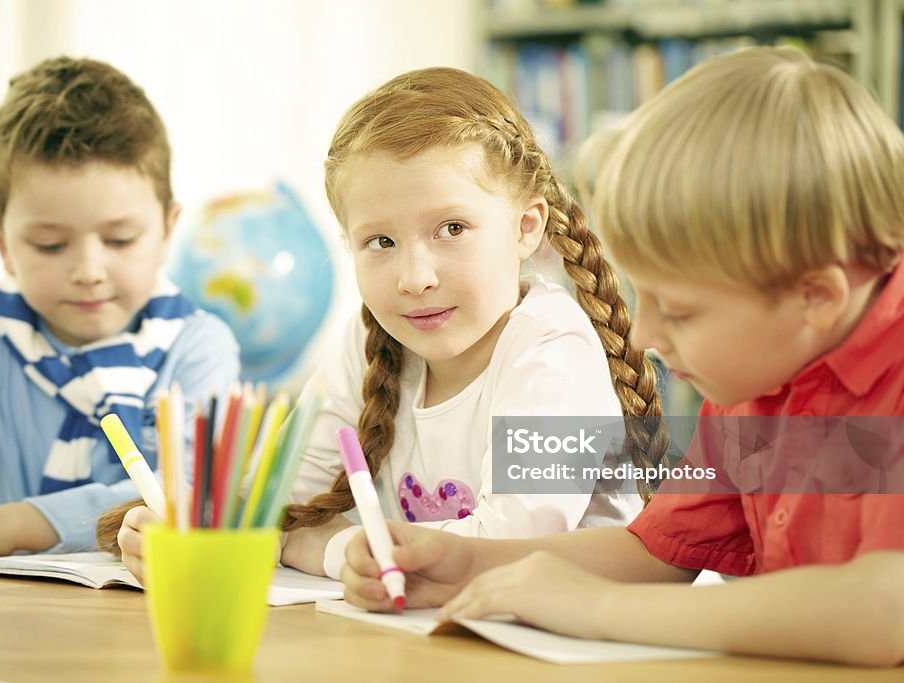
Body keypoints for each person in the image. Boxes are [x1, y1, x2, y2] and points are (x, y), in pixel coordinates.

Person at [341, 47, 904, 667]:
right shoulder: (755, 381)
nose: (642, 337)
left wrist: (601, 611)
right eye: (644, 298)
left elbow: (887, 606)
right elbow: (658, 554)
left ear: (816, 297)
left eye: (681, 311)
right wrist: (466, 563)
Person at [99, 66, 668, 582]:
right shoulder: (370, 340)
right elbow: (273, 507)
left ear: (525, 228)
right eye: (380, 241)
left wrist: (333, 548)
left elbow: (506, 549)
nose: (414, 278)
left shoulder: (553, 349)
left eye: (451, 228)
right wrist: (190, 534)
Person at [0, 56, 239, 568]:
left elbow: (185, 494)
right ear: (2, 242)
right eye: (50, 245)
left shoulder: (198, 347)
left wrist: (7, 525)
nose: (89, 270)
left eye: (120, 239)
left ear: (167, 229)